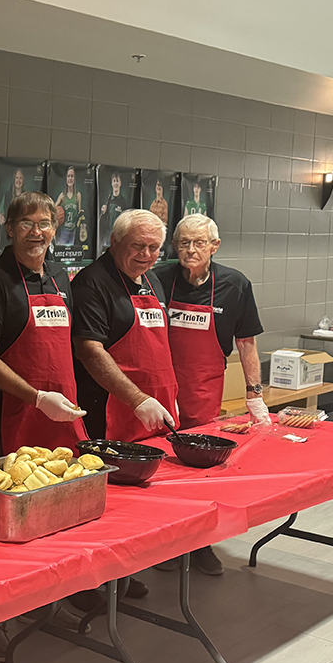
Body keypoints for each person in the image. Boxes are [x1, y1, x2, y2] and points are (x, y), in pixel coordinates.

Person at [0, 192, 91, 659]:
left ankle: (47, 603)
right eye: (27, 223)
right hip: (6, 421)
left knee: (52, 522)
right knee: (1, 530)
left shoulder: (60, 276)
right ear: (9, 227)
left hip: (58, 421)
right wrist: (37, 397)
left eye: (45, 223)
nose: (36, 232)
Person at [152, 214, 267, 575]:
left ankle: (201, 543)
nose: (189, 250)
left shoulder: (235, 284)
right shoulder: (158, 277)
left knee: (200, 472)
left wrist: (255, 395)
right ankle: (165, 544)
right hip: (159, 388)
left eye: (198, 243)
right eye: (182, 242)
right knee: (162, 469)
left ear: (214, 247)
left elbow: (246, 343)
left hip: (203, 391)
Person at [72, 210, 179, 444]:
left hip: (156, 409)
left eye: (154, 247)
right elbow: (89, 351)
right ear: (114, 241)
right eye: (138, 245)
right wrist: (138, 400)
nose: (146, 254)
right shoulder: (91, 283)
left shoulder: (152, 279)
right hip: (112, 412)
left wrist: (170, 395)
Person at [52, 166, 85, 247]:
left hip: (74, 230)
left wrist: (82, 214)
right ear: (66, 179)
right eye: (68, 176)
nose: (70, 178)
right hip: (64, 230)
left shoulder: (78, 195)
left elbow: (79, 213)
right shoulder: (62, 195)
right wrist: (57, 215)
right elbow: (53, 209)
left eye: (72, 176)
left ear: (75, 179)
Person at [99, 171, 128, 252]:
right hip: (108, 235)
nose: (115, 183)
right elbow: (103, 219)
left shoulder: (123, 201)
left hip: (119, 235)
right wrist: (103, 212)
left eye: (117, 181)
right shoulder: (107, 200)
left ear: (120, 183)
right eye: (114, 181)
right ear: (111, 183)